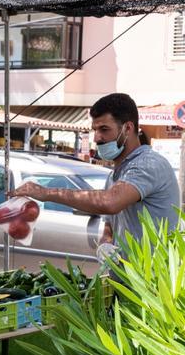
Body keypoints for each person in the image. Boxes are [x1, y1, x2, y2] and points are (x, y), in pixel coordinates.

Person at [13, 92, 180, 251]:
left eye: (104, 129)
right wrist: (106, 242)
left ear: (128, 128)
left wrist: (47, 192)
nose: (96, 138)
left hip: (151, 279)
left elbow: (110, 202)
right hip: (124, 277)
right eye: (95, 130)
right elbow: (110, 224)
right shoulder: (115, 175)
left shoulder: (148, 164)